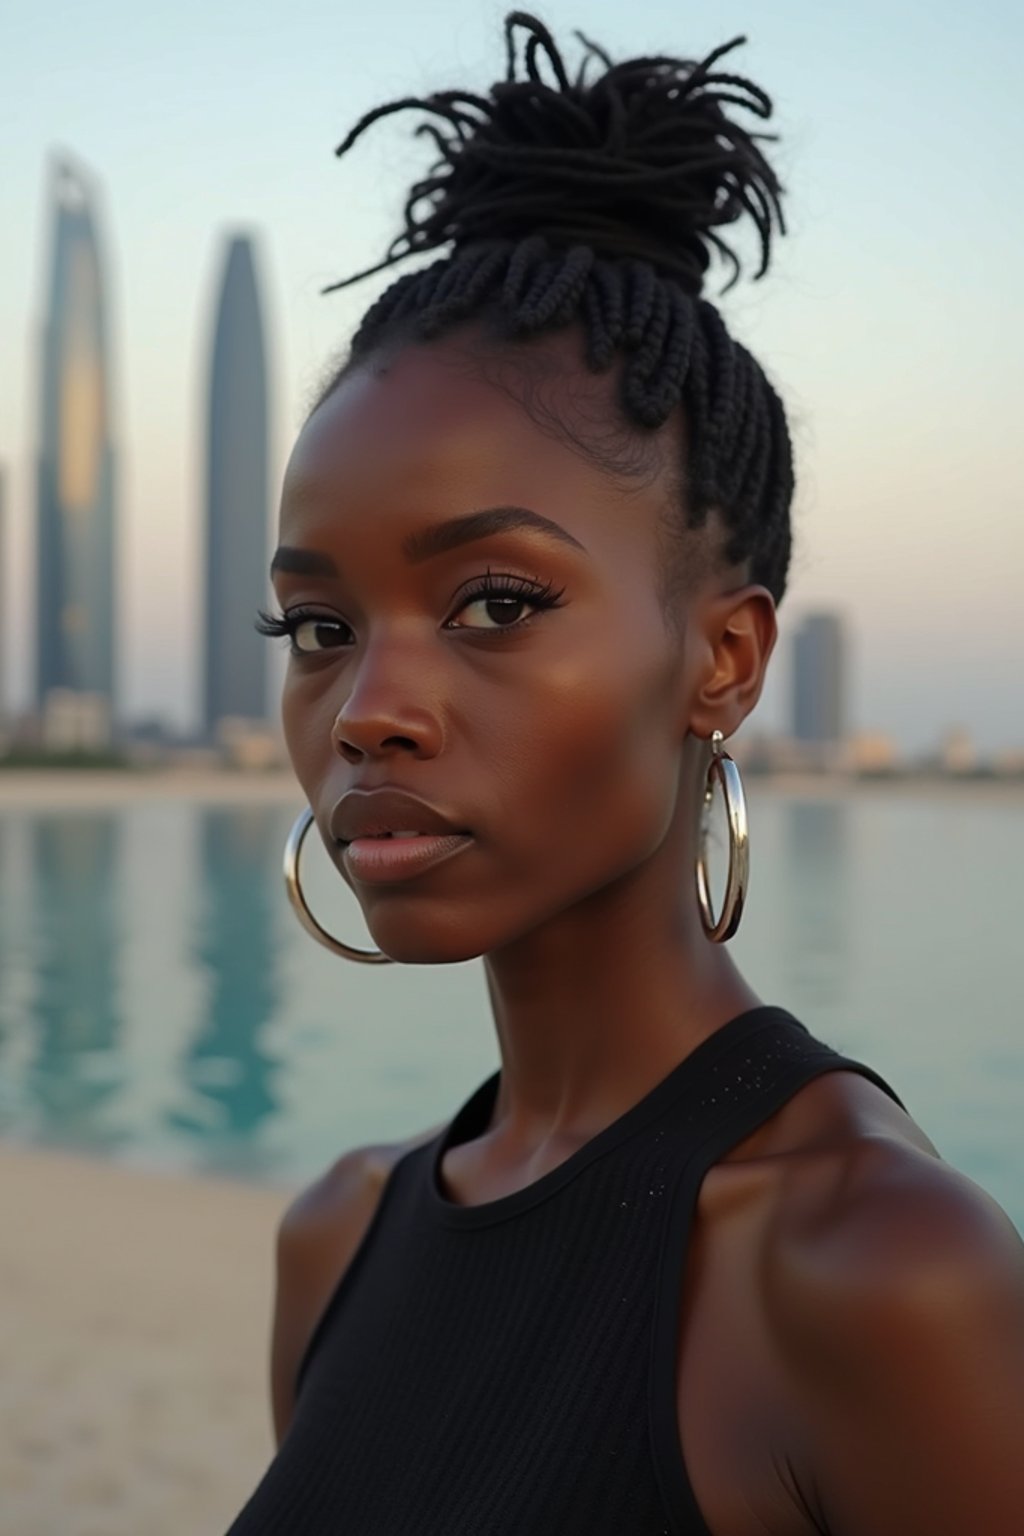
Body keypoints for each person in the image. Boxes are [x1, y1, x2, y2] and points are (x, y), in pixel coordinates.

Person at [230, 13, 1024, 1533]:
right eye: (318, 625)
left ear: (722, 660)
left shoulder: (876, 1270)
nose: (366, 711)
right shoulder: (334, 1234)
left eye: (497, 605)